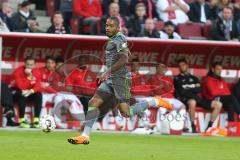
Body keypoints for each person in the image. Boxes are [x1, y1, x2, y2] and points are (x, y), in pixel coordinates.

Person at [67, 16, 173, 144]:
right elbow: (123, 54)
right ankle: (85, 136)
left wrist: (107, 71)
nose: (107, 28)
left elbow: (123, 59)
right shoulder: (115, 39)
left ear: (117, 28)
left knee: (126, 112)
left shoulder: (119, 38)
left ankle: (154, 101)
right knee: (93, 102)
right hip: (111, 79)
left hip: (120, 79)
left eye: (111, 26)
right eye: (106, 25)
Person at [174, 58, 222, 133]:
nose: (181, 67)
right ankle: (192, 126)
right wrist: (193, 87)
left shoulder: (194, 78)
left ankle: (210, 126)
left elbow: (199, 89)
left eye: (183, 65)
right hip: (185, 99)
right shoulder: (177, 79)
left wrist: (187, 87)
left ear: (187, 66)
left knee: (218, 104)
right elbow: (182, 91)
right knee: (192, 102)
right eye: (180, 66)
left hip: (197, 98)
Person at [11, 56, 42, 128]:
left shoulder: (37, 71)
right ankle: (21, 120)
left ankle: (36, 120)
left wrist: (31, 91)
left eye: (31, 65)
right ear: (25, 64)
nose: (29, 66)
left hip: (29, 92)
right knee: (22, 94)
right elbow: (21, 87)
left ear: (34, 65)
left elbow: (38, 85)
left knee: (38, 94)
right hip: (15, 92)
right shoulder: (18, 71)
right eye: (28, 64)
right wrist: (29, 77)